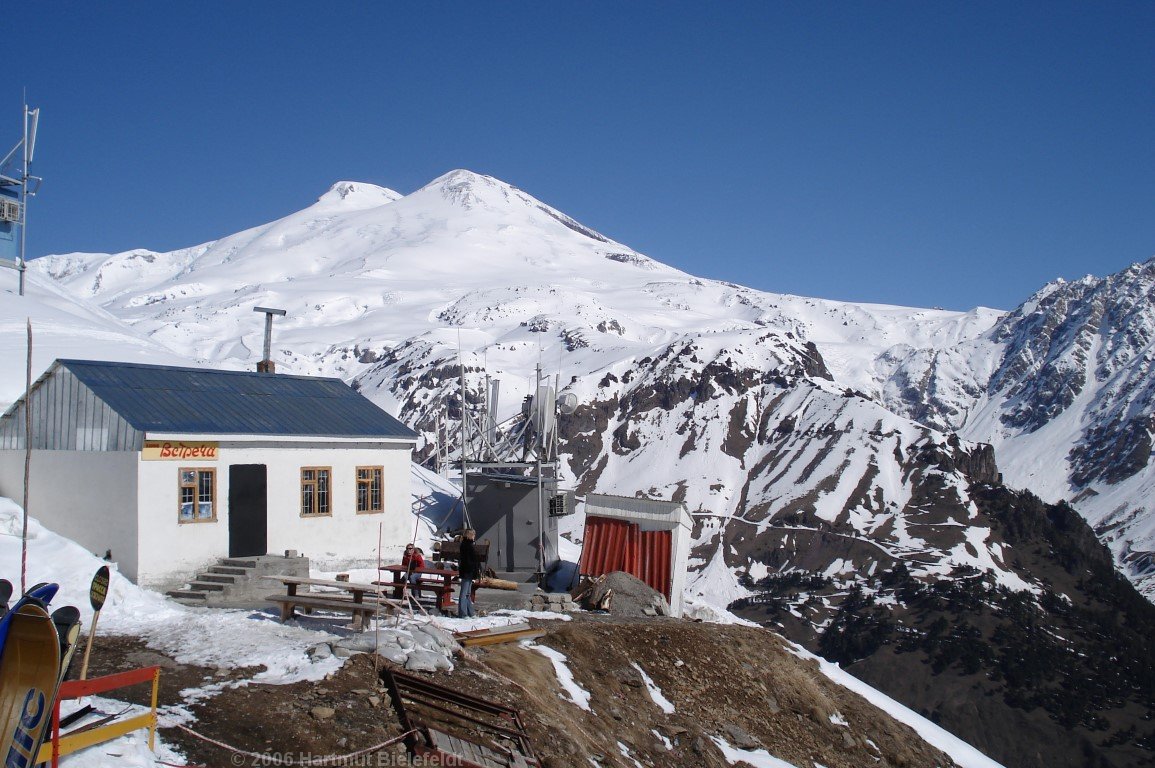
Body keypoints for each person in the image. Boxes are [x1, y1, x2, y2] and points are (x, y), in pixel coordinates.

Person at [456, 529, 481, 618]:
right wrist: (473, 568)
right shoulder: (466, 545)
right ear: (470, 535)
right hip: (467, 571)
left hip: (469, 571)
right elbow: (468, 560)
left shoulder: (468, 544)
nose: (474, 536)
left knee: (468, 593)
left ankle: (470, 612)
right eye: (473, 535)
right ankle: (463, 613)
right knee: (464, 593)